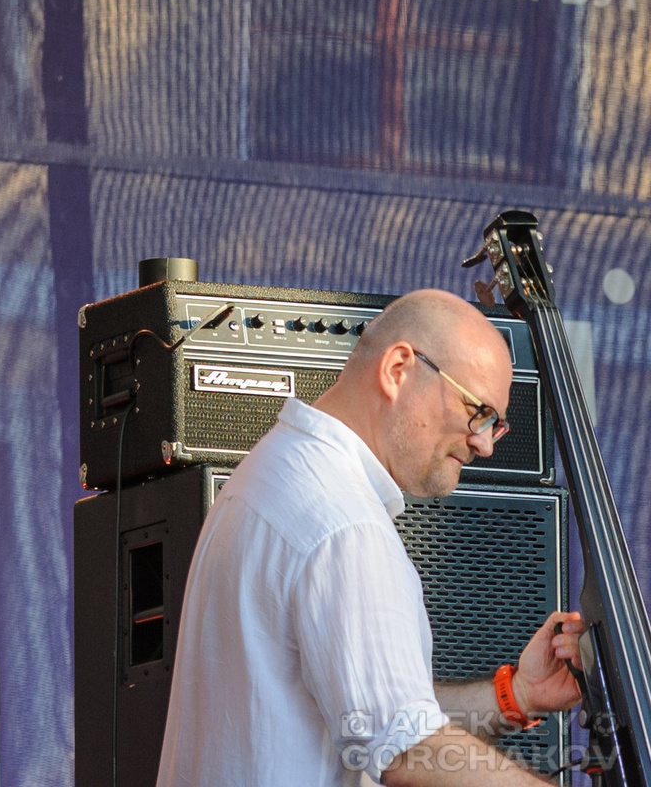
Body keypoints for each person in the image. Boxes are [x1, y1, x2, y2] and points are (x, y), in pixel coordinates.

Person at [158, 288, 586, 786]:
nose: (485, 444)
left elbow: (367, 715)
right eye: (479, 412)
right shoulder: (345, 524)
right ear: (398, 369)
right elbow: (408, 751)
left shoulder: (271, 474)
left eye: (496, 425)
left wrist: (517, 696)